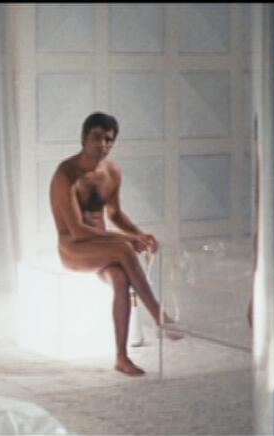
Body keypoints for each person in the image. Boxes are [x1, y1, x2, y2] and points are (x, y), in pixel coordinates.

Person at [49, 112, 182, 377]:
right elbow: (76, 230)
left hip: (102, 246)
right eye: (97, 137)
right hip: (73, 248)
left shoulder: (111, 172)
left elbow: (115, 214)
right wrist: (128, 240)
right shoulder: (66, 175)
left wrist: (140, 235)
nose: (103, 144)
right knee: (123, 249)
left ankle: (121, 357)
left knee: (120, 279)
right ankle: (159, 316)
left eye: (108, 139)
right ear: (84, 137)